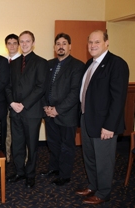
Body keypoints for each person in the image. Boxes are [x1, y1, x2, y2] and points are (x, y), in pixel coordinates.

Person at [76, 30, 129, 204]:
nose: (92, 45)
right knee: (89, 157)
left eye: (97, 42)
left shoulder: (117, 64)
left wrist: (110, 126)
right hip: (87, 120)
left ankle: (103, 192)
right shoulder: (89, 64)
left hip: (104, 125)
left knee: (104, 161)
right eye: (90, 42)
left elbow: (118, 99)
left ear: (107, 42)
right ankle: (93, 185)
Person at [6, 30, 48, 188]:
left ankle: (30, 175)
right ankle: (19, 172)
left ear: (33, 43)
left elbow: (40, 87)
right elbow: (8, 86)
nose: (24, 44)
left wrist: (23, 104)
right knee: (17, 144)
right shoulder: (14, 63)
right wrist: (12, 103)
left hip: (31, 111)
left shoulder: (41, 62)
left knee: (32, 146)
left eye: (27, 41)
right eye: (21, 41)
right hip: (15, 111)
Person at [41, 33, 85, 186]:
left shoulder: (78, 66)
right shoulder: (48, 64)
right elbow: (43, 88)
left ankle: (65, 175)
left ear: (70, 46)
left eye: (64, 43)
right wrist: (46, 107)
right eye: (58, 44)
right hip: (49, 113)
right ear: (54, 47)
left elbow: (75, 93)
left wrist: (57, 110)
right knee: (53, 144)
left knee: (67, 146)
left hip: (66, 114)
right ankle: (54, 169)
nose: (61, 46)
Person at [4, 34, 21, 163]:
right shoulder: (3, 62)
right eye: (9, 43)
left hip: (19, 105)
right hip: (4, 104)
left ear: (19, 45)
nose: (12, 46)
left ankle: (21, 160)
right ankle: (7, 159)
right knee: (7, 134)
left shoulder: (23, 62)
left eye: (15, 43)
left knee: (19, 135)